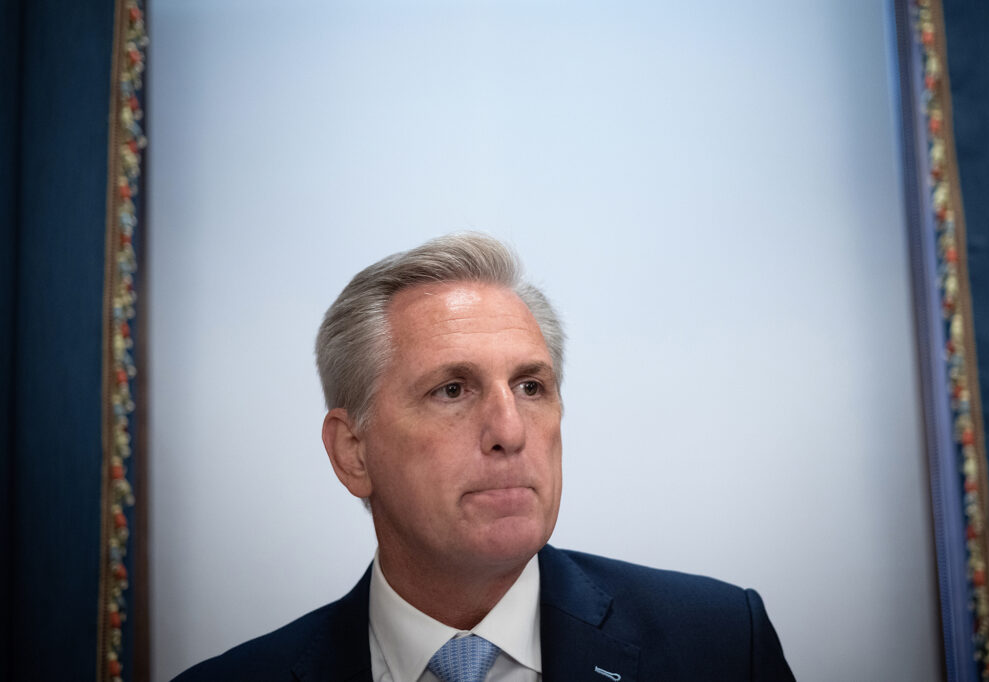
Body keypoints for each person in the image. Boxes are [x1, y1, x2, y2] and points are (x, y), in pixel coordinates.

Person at [176, 233, 795, 681]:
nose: (510, 432)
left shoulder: (720, 644)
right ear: (352, 451)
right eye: (452, 390)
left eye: (531, 387)